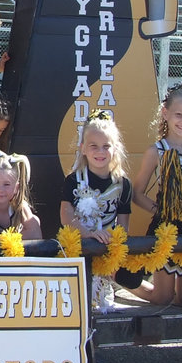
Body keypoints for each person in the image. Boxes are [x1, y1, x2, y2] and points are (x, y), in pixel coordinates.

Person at [132, 84, 182, 307]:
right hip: (167, 231)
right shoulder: (156, 150)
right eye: (179, 114)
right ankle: (117, 279)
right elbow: (137, 194)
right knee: (163, 298)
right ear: (165, 113)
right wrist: (163, 210)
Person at [59, 111, 134, 313]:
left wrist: (115, 252)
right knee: (77, 305)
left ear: (115, 148)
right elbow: (66, 216)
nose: (100, 152)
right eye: (93, 146)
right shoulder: (73, 180)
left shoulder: (123, 184)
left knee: (102, 308)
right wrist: (89, 234)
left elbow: (123, 225)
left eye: (106, 146)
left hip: (105, 251)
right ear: (83, 148)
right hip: (78, 250)